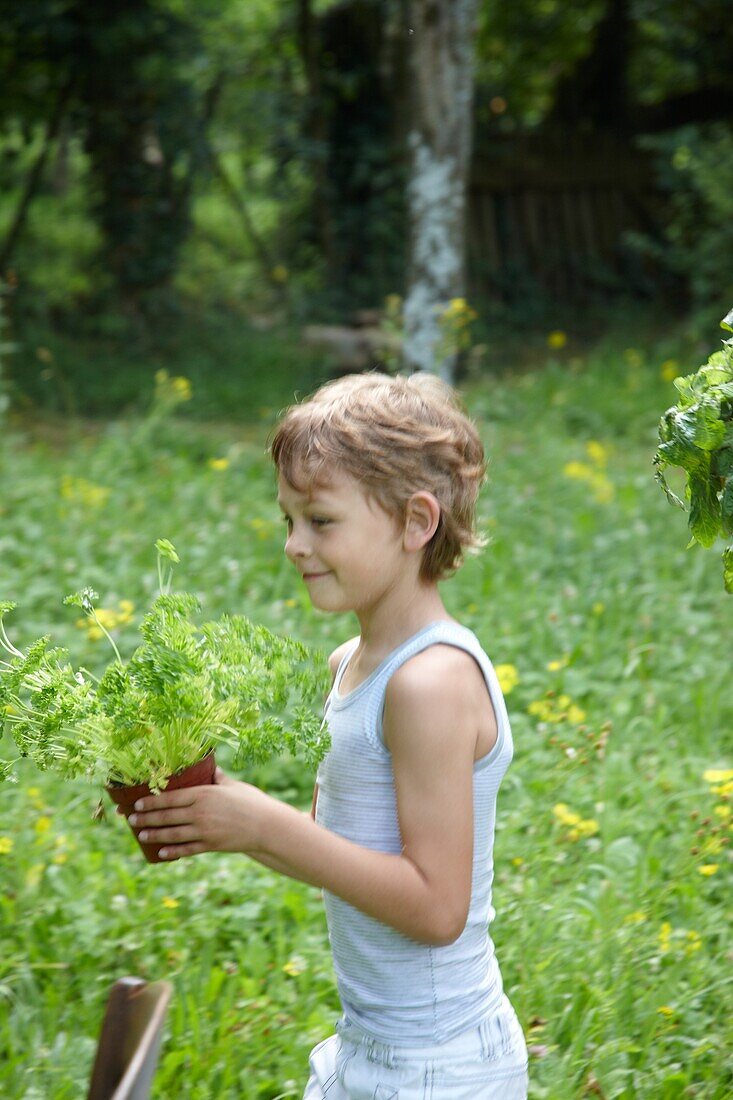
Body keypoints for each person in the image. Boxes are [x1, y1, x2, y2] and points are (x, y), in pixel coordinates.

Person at [128, 372, 529, 1098]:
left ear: (415, 522)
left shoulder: (429, 682)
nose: (293, 545)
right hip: (368, 1047)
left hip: (439, 1065)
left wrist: (266, 827)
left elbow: (437, 909)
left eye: (320, 520)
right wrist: (230, 815)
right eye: (288, 520)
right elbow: (343, 853)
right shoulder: (352, 663)